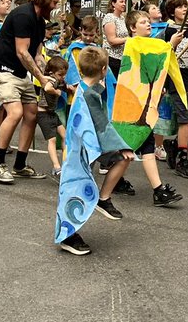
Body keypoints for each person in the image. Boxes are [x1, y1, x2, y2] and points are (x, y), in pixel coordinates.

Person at [56, 46, 137, 256]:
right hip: (82, 148)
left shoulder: (86, 88)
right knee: (74, 188)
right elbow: (102, 124)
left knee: (121, 160)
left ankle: (103, 199)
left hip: (89, 143)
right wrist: (122, 145)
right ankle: (67, 235)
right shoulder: (88, 95)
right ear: (103, 69)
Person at [0, 0, 59, 184]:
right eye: (53, 2)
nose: (55, 7)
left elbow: (36, 54)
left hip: (19, 73)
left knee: (32, 113)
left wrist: (50, 73)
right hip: (1, 70)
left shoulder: (40, 22)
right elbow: (21, 52)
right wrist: (41, 80)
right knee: (15, 112)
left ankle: (19, 165)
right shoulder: (23, 15)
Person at [161, 0, 188, 181]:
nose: (184, 9)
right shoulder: (168, 31)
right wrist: (173, 44)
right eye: (179, 7)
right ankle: (182, 160)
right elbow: (164, 57)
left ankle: (175, 144)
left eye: (186, 6)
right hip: (177, 81)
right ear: (172, 11)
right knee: (185, 120)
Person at [37, 56, 69, 177]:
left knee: (65, 135)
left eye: (64, 74)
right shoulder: (51, 80)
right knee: (52, 140)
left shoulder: (59, 80)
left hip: (52, 113)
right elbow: (47, 88)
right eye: (60, 74)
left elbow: (67, 87)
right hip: (43, 114)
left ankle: (66, 163)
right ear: (52, 72)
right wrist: (58, 92)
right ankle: (56, 167)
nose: (63, 77)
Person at [101, 0, 129, 77]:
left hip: (122, 57)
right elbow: (112, 40)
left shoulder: (122, 18)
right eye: (121, 2)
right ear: (113, 3)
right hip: (112, 58)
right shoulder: (109, 17)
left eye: (124, 2)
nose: (124, 4)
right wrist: (129, 39)